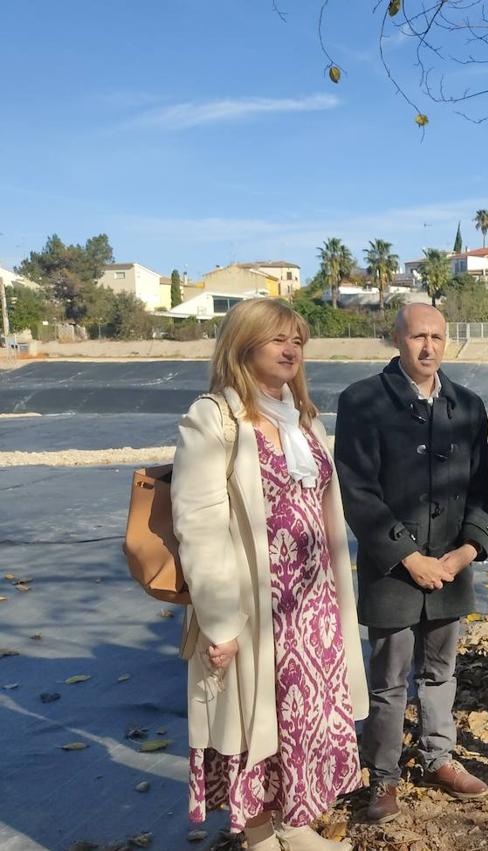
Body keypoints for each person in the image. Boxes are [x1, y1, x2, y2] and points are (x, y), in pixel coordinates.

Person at [172, 299, 368, 851]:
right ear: (243, 345)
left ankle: (293, 821)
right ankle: (258, 834)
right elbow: (200, 523)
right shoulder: (214, 417)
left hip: (314, 605)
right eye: (277, 339)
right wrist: (219, 621)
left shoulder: (304, 419)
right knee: (253, 720)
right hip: (255, 606)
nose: (291, 350)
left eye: (298, 341)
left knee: (301, 719)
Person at [335, 303, 488, 821]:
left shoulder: (468, 406)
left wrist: (468, 548)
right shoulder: (363, 401)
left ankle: (437, 756)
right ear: (396, 339)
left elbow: (483, 488)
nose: (428, 347)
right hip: (392, 570)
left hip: (451, 566)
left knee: (441, 671)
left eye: (438, 337)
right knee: (388, 679)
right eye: (417, 337)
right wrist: (408, 556)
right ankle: (382, 776)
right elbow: (357, 491)